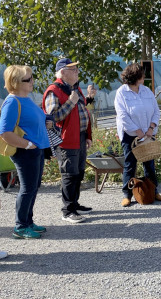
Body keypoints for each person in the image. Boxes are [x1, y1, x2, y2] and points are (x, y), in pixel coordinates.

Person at [0, 65, 50, 238]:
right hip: (25, 151)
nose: (32, 81)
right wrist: (28, 145)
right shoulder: (12, 101)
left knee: (33, 187)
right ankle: (20, 226)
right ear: (15, 82)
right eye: (27, 79)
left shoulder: (26, 98)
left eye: (31, 77)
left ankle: (27, 221)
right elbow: (5, 132)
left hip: (35, 149)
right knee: (28, 188)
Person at [42, 58, 93, 223]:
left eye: (77, 69)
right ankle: (67, 210)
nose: (77, 71)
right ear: (63, 72)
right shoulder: (53, 91)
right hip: (65, 139)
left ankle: (74, 204)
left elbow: (83, 112)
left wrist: (88, 135)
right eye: (73, 69)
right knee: (69, 174)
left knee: (78, 172)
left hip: (80, 136)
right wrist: (71, 102)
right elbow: (52, 118)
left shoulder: (75, 89)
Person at [114, 63, 161, 207]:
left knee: (149, 163)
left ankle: (153, 191)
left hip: (148, 133)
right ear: (135, 76)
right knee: (130, 164)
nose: (144, 76)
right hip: (131, 135)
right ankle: (127, 194)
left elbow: (156, 110)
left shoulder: (146, 91)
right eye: (142, 74)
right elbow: (122, 116)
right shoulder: (121, 93)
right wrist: (138, 132)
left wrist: (151, 128)